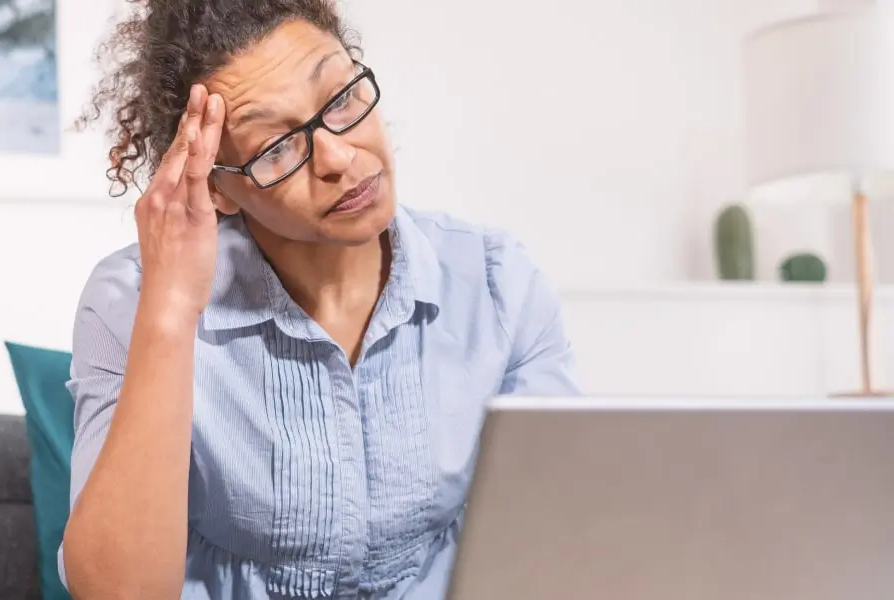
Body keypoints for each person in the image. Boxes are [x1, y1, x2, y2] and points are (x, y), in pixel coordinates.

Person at [59, 0, 581, 598]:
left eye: (340, 101)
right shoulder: (130, 299)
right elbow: (116, 592)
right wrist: (171, 311)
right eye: (276, 148)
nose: (337, 157)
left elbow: (565, 531)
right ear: (218, 187)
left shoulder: (495, 283)